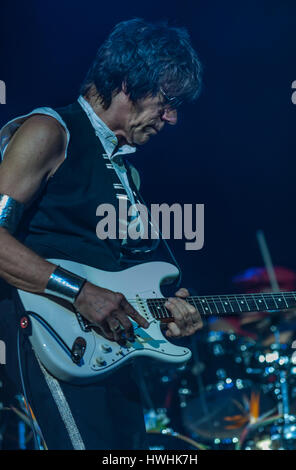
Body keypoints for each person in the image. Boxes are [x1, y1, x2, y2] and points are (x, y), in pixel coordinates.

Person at [0, 18, 203, 449]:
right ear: (128, 82)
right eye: (166, 101)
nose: (172, 118)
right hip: (53, 333)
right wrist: (79, 292)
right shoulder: (51, 131)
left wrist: (166, 314)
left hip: (109, 348)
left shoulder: (125, 171)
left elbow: (124, 280)